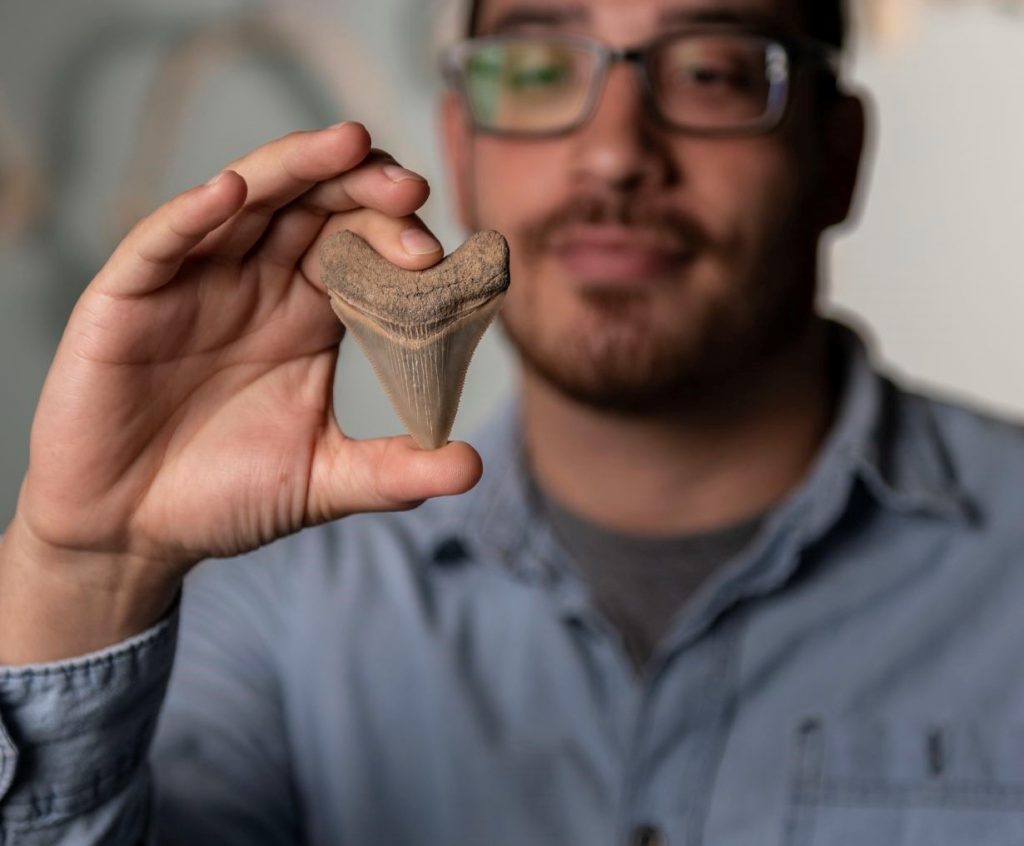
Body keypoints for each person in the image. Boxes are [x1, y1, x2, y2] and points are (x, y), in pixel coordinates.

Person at [2, 0, 1024, 843]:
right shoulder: (271, 621)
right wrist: (86, 568)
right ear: (461, 143)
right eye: (536, 70)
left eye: (713, 69)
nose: (615, 154)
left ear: (837, 153)